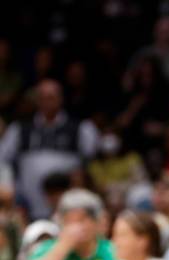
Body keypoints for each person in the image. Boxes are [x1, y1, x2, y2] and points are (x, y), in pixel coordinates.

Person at [0, 79, 99, 219]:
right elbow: (3, 161)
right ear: (37, 100)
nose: (47, 102)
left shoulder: (81, 128)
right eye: (43, 98)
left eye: (51, 97)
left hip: (68, 205)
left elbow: (92, 162)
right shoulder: (19, 129)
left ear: (61, 99)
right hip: (26, 205)